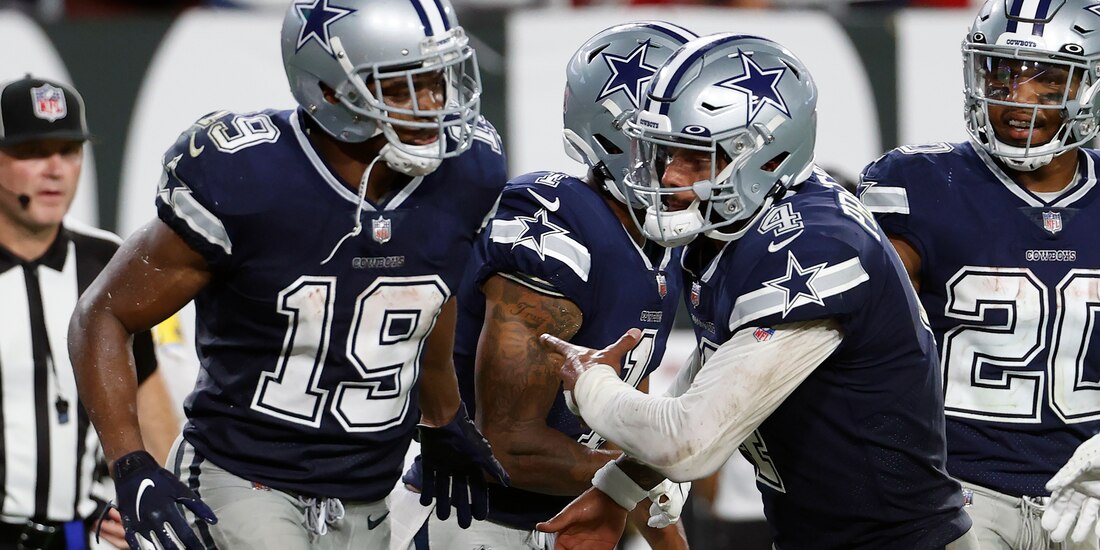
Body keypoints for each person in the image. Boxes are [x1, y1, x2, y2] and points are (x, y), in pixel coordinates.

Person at [66, 0, 510, 547]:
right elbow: (104, 314)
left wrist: (442, 415)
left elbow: (429, 293)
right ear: (329, 90)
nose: (433, 106)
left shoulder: (467, 171)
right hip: (244, 479)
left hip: (367, 488)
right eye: (401, 89)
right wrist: (130, 464)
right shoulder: (247, 178)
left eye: (438, 81)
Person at [534, 33, 978, 549]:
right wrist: (621, 487)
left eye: (697, 157)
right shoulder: (740, 228)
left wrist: (591, 382)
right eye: (665, 152)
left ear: (767, 159)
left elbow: (688, 442)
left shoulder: (814, 245)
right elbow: (717, 373)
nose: (670, 175)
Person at [395, 21, 696, 550]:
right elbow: (507, 446)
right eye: (685, 144)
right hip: (469, 525)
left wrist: (654, 502)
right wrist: (642, 483)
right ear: (622, 136)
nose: (703, 164)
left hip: (560, 525)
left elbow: (627, 437)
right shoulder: (558, 227)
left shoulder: (661, 247)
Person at [858, 1, 1100, 548]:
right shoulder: (919, 181)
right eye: (1003, 72)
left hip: (1087, 491)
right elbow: (865, 338)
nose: (1018, 96)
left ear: (1088, 86)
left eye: (1048, 79)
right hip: (958, 492)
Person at [0, 74, 179, 550]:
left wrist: (164, 502)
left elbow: (146, 398)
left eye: (69, 150)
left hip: (79, 537)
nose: (55, 170)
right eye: (33, 151)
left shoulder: (106, 262)